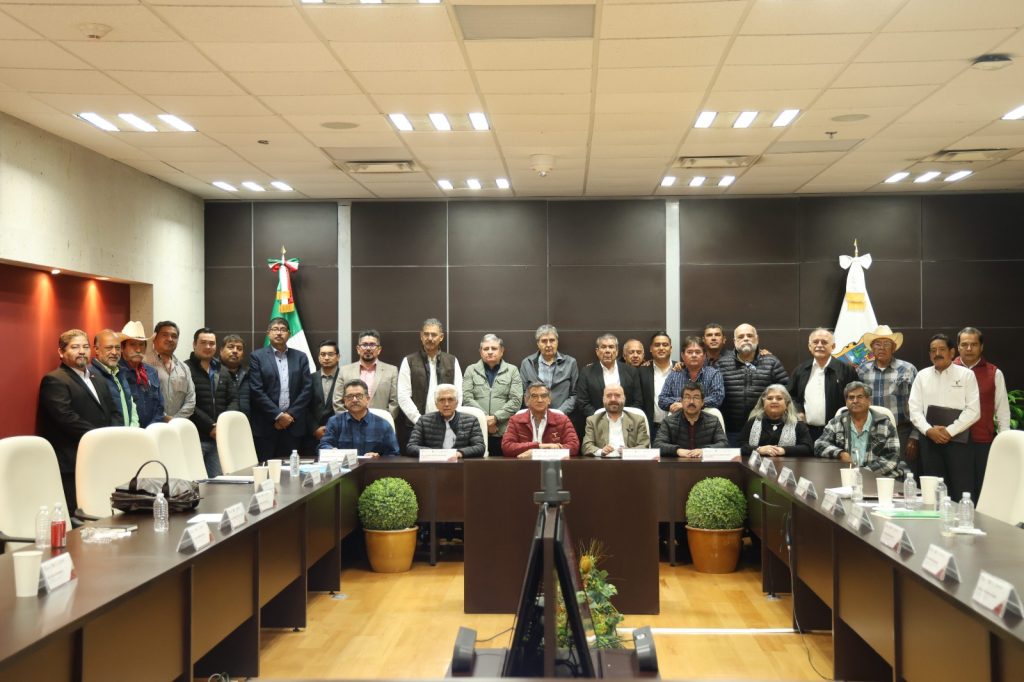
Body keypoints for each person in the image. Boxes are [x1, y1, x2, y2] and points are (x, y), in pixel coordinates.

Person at [37, 329, 115, 511]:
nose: (82, 351)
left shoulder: (98, 379)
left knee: (103, 510)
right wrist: (98, 438)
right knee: (80, 514)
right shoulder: (54, 380)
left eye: (85, 347)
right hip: (73, 461)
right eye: (75, 347)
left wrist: (112, 437)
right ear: (61, 352)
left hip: (101, 455)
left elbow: (113, 411)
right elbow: (66, 418)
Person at [909, 334, 980, 501]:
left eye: (942, 349)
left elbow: (973, 410)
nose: (937, 353)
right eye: (933, 350)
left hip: (958, 440)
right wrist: (928, 430)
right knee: (932, 492)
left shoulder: (966, 375)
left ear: (952, 352)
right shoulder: (922, 376)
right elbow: (914, 409)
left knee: (961, 488)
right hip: (930, 440)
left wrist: (949, 431)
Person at [953, 326, 1011, 500]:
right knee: (956, 490)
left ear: (981, 347)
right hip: (953, 441)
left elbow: (1002, 410)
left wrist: (1005, 443)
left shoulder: (994, 373)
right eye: (964, 344)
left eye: (974, 344)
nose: (969, 348)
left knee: (981, 491)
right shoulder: (948, 370)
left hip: (982, 442)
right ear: (958, 347)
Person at [248, 317, 313, 461]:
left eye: (283, 329)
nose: (279, 333)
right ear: (268, 333)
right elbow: (256, 390)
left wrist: (289, 415)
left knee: (292, 468)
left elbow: (307, 389)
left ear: (289, 334)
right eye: (275, 329)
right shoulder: (257, 357)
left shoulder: (300, 357)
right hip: (266, 425)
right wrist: (278, 415)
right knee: (266, 468)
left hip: (293, 425)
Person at [857, 325, 919, 473]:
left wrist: (915, 436)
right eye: (877, 344)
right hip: (871, 433)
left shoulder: (908, 369)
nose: (882, 348)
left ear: (894, 348)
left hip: (902, 432)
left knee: (903, 475)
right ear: (872, 348)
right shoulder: (862, 370)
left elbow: (919, 404)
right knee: (872, 475)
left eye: (886, 344)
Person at [813, 381, 902, 476]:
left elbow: (892, 458)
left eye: (860, 397)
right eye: (851, 397)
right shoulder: (836, 423)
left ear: (869, 401)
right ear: (846, 402)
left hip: (877, 477)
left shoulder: (885, 425)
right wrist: (840, 454)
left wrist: (863, 473)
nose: (855, 401)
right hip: (846, 476)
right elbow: (819, 445)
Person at [718, 323, 788, 443]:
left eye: (749, 335)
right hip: (731, 431)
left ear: (757, 339)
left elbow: (787, 392)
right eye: (741, 336)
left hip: (764, 429)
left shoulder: (771, 362)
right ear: (734, 341)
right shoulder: (722, 364)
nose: (745, 339)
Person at [397, 318, 462, 446]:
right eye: (426, 334)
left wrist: (451, 418)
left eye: (434, 334)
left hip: (447, 425)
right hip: (416, 425)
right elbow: (403, 396)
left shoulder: (452, 361)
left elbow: (458, 393)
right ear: (421, 336)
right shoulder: (409, 361)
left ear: (441, 337)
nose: (430, 338)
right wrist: (419, 420)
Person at [185, 327, 238, 476]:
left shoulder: (222, 370)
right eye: (203, 343)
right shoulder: (185, 369)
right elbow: (188, 404)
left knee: (218, 483)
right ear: (194, 344)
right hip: (196, 438)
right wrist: (210, 426)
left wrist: (223, 424)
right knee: (195, 482)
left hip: (219, 439)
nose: (208, 347)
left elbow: (234, 399)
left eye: (212, 343)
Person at [788, 328, 857, 440]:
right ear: (809, 346)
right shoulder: (800, 370)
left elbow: (856, 398)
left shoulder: (846, 370)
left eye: (824, 342)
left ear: (833, 346)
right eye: (815, 342)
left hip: (839, 431)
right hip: (807, 432)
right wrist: (798, 410)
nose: (819, 345)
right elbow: (790, 395)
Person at [462, 333, 523, 455]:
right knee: (476, 465)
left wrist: (495, 418)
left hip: (503, 431)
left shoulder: (512, 370)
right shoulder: (471, 370)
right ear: (480, 352)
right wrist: (485, 419)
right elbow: (467, 398)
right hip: (477, 431)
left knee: (502, 465)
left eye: (494, 348)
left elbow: (516, 400)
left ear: (502, 351)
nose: (490, 352)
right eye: (486, 349)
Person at [574, 334, 642, 426]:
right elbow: (583, 402)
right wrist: (600, 420)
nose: (607, 350)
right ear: (597, 351)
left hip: (626, 424)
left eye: (611, 347)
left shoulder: (631, 371)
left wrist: (623, 419)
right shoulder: (586, 372)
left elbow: (637, 401)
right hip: (597, 424)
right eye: (603, 347)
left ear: (617, 351)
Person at [320, 380, 399, 457]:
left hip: (372, 465)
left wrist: (378, 458)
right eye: (350, 396)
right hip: (343, 465)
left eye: (359, 396)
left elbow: (394, 454)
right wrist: (333, 451)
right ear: (344, 400)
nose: (354, 400)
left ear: (367, 399)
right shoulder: (334, 422)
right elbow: (324, 446)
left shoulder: (383, 425)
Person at [502, 383, 580, 458]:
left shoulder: (563, 420)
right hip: (523, 464)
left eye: (544, 396)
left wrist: (538, 453)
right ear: (526, 400)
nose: (539, 400)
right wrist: (540, 446)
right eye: (534, 396)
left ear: (549, 400)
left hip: (553, 464)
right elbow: (507, 447)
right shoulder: (515, 420)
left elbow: (574, 446)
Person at [406, 384, 484, 459]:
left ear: (456, 403)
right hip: (433, 464)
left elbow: (480, 447)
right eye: (442, 400)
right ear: (436, 404)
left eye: (450, 399)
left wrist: (460, 453)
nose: (446, 404)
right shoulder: (423, 421)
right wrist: (434, 453)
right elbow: (411, 447)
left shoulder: (471, 421)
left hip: (460, 464)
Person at [335, 329, 399, 420]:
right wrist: (349, 422)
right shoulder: (344, 371)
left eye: (372, 345)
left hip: (380, 424)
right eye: (364, 345)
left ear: (379, 349)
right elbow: (337, 402)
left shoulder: (391, 371)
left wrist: (383, 422)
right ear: (358, 349)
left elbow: (395, 402)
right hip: (350, 425)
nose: (368, 348)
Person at [653, 382, 728, 458]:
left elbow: (724, 444)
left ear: (702, 402)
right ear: (681, 401)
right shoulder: (669, 422)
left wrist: (704, 451)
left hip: (705, 464)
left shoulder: (713, 421)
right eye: (687, 397)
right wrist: (677, 451)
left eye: (696, 397)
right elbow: (657, 445)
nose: (691, 401)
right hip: (679, 464)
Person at [519, 324, 578, 416]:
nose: (548, 345)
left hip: (562, 416)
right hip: (535, 416)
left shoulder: (570, 363)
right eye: (544, 341)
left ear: (557, 342)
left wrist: (560, 412)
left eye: (552, 340)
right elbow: (523, 393)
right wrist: (537, 411)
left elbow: (574, 394)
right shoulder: (527, 363)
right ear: (538, 343)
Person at [739, 384, 813, 457]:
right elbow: (740, 446)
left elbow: (808, 448)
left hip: (788, 464)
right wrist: (759, 449)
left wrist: (784, 450)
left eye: (779, 398)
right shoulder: (753, 422)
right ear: (763, 403)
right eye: (769, 398)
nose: (774, 401)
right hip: (756, 463)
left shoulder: (797, 423)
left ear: (787, 404)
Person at [144, 320, 196, 421]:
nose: (170, 339)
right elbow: (144, 398)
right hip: (151, 424)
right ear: (154, 338)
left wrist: (174, 420)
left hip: (178, 425)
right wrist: (163, 417)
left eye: (174, 336)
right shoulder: (144, 364)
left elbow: (191, 400)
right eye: (165, 335)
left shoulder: (184, 368)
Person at [658, 336, 725, 414]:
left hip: (706, 419)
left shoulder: (714, 374)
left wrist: (685, 403)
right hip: (679, 420)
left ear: (704, 356)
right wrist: (685, 401)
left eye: (698, 352)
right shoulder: (674, 375)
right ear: (683, 355)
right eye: (689, 352)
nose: (694, 355)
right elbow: (662, 400)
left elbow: (717, 398)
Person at [582, 384, 650, 457]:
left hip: (630, 461)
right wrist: (601, 451)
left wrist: (628, 452)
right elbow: (586, 446)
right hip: (603, 461)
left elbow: (644, 446)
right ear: (603, 399)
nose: (613, 399)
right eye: (609, 396)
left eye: (617, 395)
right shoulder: (593, 421)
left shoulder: (638, 420)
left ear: (624, 399)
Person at [119, 320, 165, 427]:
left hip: (152, 430)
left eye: (141, 344)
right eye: (133, 344)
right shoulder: (117, 373)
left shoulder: (152, 372)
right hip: (128, 432)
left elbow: (160, 406)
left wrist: (152, 428)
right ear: (122, 348)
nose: (138, 349)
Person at [91, 328, 138, 427]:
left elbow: (131, 405)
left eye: (117, 348)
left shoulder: (121, 373)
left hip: (129, 433)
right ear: (96, 349)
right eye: (109, 348)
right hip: (108, 435)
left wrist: (134, 428)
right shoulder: (90, 376)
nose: (114, 352)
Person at [309, 340, 341, 446]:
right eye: (323, 354)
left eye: (330, 354)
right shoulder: (309, 378)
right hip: (312, 435)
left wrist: (332, 427)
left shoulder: (345, 377)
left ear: (338, 357)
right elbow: (304, 407)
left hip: (339, 433)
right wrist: (314, 428)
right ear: (319, 357)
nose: (326, 358)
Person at [219, 334, 250, 417]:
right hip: (220, 422)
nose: (235, 351)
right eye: (230, 347)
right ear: (221, 351)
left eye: (239, 349)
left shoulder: (249, 375)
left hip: (245, 422)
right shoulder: (213, 373)